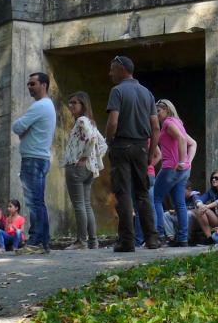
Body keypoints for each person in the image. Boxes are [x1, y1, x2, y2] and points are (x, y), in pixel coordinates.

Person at [103, 55, 161, 252]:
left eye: (112, 69)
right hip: (141, 148)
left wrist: (109, 141)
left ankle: (127, 241)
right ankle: (152, 239)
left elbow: (113, 122)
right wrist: (151, 153)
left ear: (122, 69)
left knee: (124, 193)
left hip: (121, 146)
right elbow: (155, 127)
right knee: (143, 194)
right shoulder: (147, 93)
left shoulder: (117, 91)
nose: (110, 73)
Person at [12, 71, 55, 254]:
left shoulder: (40, 106)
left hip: (33, 159)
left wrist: (24, 130)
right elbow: (21, 129)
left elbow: (17, 127)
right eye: (29, 84)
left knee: (34, 202)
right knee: (38, 202)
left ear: (44, 85)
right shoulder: (45, 105)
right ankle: (43, 242)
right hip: (39, 158)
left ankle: (36, 241)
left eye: (33, 83)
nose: (29, 86)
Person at [63, 91, 105, 250]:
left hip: (77, 168)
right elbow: (102, 144)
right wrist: (93, 159)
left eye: (74, 102)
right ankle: (93, 241)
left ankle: (81, 241)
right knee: (86, 205)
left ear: (83, 105)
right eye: (70, 102)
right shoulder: (90, 121)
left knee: (79, 205)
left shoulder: (81, 120)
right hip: (89, 170)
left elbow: (94, 140)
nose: (71, 105)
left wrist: (85, 157)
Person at [151, 99, 197, 246]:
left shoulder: (168, 123)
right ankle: (183, 238)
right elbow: (193, 143)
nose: (156, 114)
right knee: (180, 203)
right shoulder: (178, 123)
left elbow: (182, 139)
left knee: (155, 198)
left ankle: (160, 235)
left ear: (166, 110)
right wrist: (187, 162)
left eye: (158, 111)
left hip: (171, 168)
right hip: (183, 171)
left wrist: (182, 161)